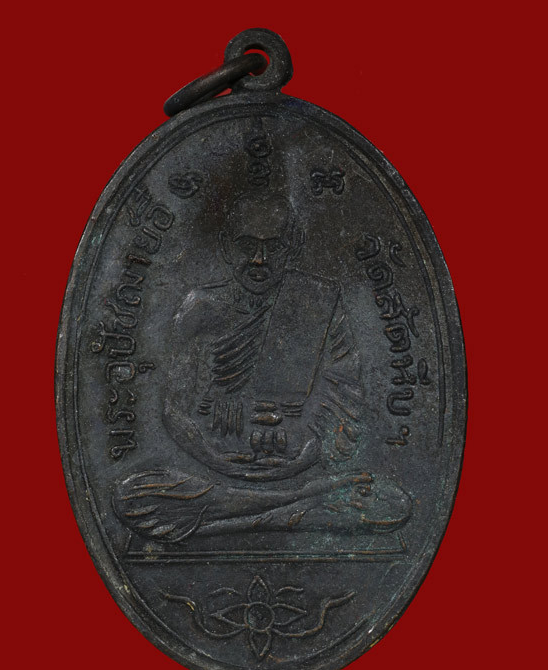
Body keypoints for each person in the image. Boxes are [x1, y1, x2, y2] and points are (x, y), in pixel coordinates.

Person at [113, 191, 411, 542]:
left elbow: (344, 401)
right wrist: (219, 460)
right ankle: (292, 507)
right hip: (212, 473)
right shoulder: (200, 309)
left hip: (299, 470)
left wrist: (304, 456)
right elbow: (173, 410)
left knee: (394, 502)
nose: (259, 259)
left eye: (274, 247)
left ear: (294, 248)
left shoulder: (317, 302)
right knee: (130, 496)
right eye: (246, 245)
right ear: (226, 247)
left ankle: (263, 509)